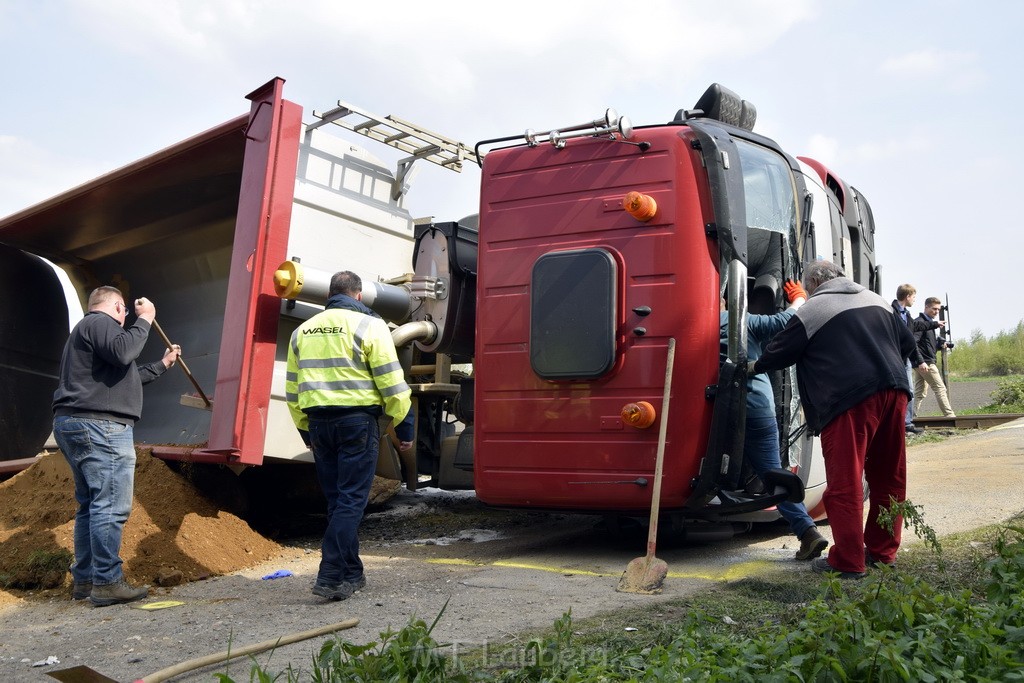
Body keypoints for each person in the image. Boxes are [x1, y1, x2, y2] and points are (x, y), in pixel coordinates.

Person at [750, 261, 916, 579]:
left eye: (807, 287)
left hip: (850, 399)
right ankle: (882, 552)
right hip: (895, 392)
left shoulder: (815, 307)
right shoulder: (875, 299)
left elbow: (780, 351)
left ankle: (849, 561)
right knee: (889, 477)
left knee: (846, 481)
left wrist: (753, 367)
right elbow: (907, 345)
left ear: (813, 283)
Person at [286, 270, 414, 601]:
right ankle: (329, 574)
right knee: (352, 500)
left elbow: (292, 389)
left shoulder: (302, 331)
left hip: (318, 424)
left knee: (338, 501)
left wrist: (305, 430)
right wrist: (396, 423)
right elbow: (391, 382)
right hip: (357, 422)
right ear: (358, 296)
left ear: (331, 295)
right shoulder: (370, 326)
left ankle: (351, 573)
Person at [52, 286, 181, 606]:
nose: (125, 320)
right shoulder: (98, 322)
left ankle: (85, 580)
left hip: (78, 424)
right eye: (123, 313)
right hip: (101, 427)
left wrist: (162, 365)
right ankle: (107, 582)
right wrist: (146, 320)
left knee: (91, 506)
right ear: (117, 307)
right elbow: (125, 352)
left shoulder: (88, 334)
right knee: (110, 506)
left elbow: (125, 375)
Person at [721, 280, 828, 561]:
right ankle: (806, 531)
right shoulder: (741, 321)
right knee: (771, 471)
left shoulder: (692, 325)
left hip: (719, 411)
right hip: (758, 408)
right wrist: (801, 297)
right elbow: (789, 319)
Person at [890, 284, 940, 434]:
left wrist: (935, 324)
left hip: (905, 359)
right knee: (898, 390)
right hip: (895, 358)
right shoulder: (891, 313)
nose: (914, 300)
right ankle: (899, 424)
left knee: (910, 390)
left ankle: (906, 423)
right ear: (908, 297)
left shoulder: (906, 314)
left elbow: (916, 326)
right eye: (914, 297)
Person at [913, 297, 956, 418]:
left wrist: (939, 346)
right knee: (940, 388)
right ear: (926, 307)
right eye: (934, 309)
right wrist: (921, 361)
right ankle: (950, 416)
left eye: (938, 309)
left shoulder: (929, 324)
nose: (936, 312)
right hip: (925, 363)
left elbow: (925, 345)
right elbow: (913, 343)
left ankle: (910, 418)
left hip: (921, 362)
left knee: (919, 392)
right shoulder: (920, 323)